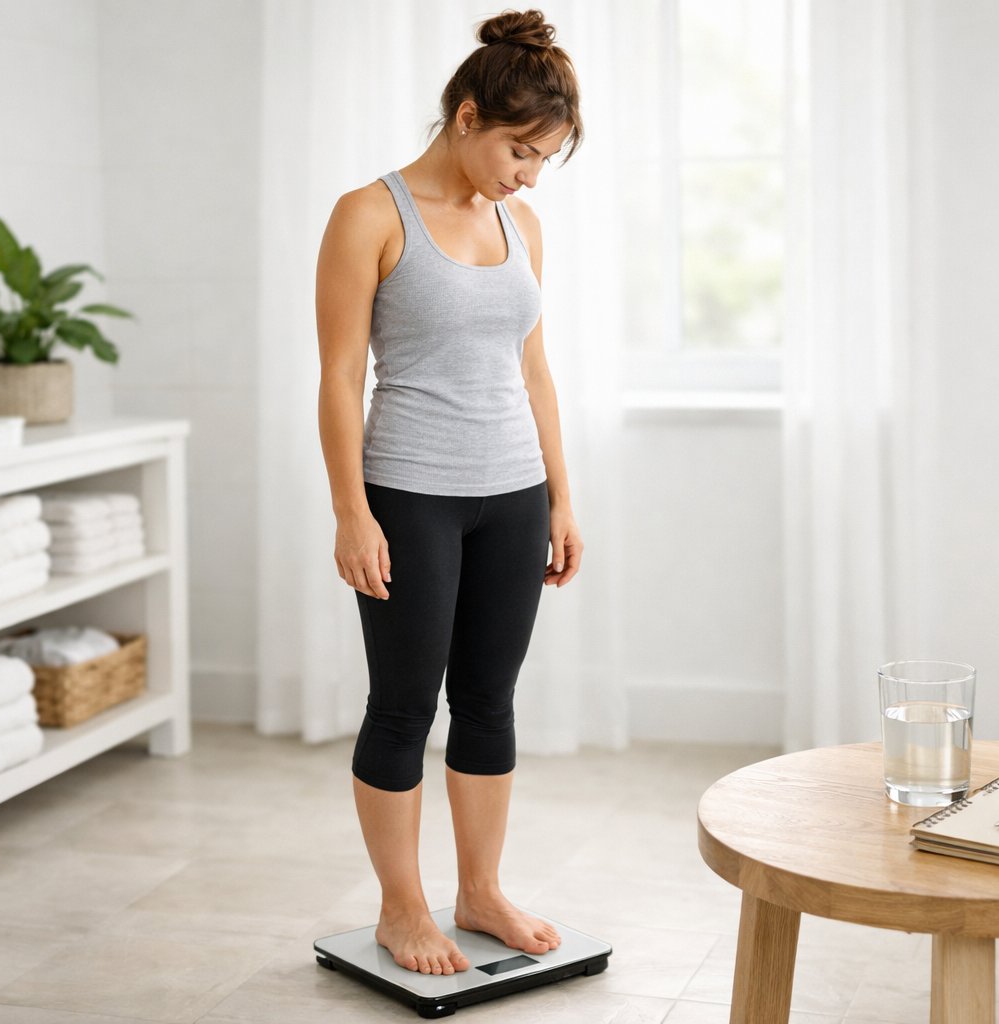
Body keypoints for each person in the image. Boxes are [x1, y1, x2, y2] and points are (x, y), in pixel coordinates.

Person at [314, 9, 585, 978]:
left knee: (489, 700)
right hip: (409, 496)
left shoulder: (524, 226)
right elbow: (341, 375)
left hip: (512, 495)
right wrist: (352, 510)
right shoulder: (369, 214)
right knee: (403, 707)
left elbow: (536, 370)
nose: (527, 173)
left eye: (544, 158)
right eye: (521, 149)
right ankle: (403, 907)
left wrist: (559, 497)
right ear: (466, 116)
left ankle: (479, 889)